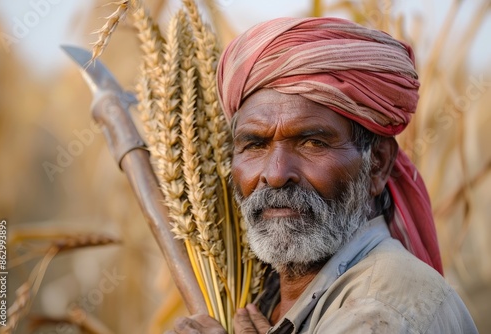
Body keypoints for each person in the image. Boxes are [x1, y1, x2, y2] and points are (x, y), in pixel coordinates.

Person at [166, 17, 478, 333]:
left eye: (313, 142)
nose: (275, 175)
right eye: (255, 144)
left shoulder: (380, 313)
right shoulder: (268, 296)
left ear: (378, 164)